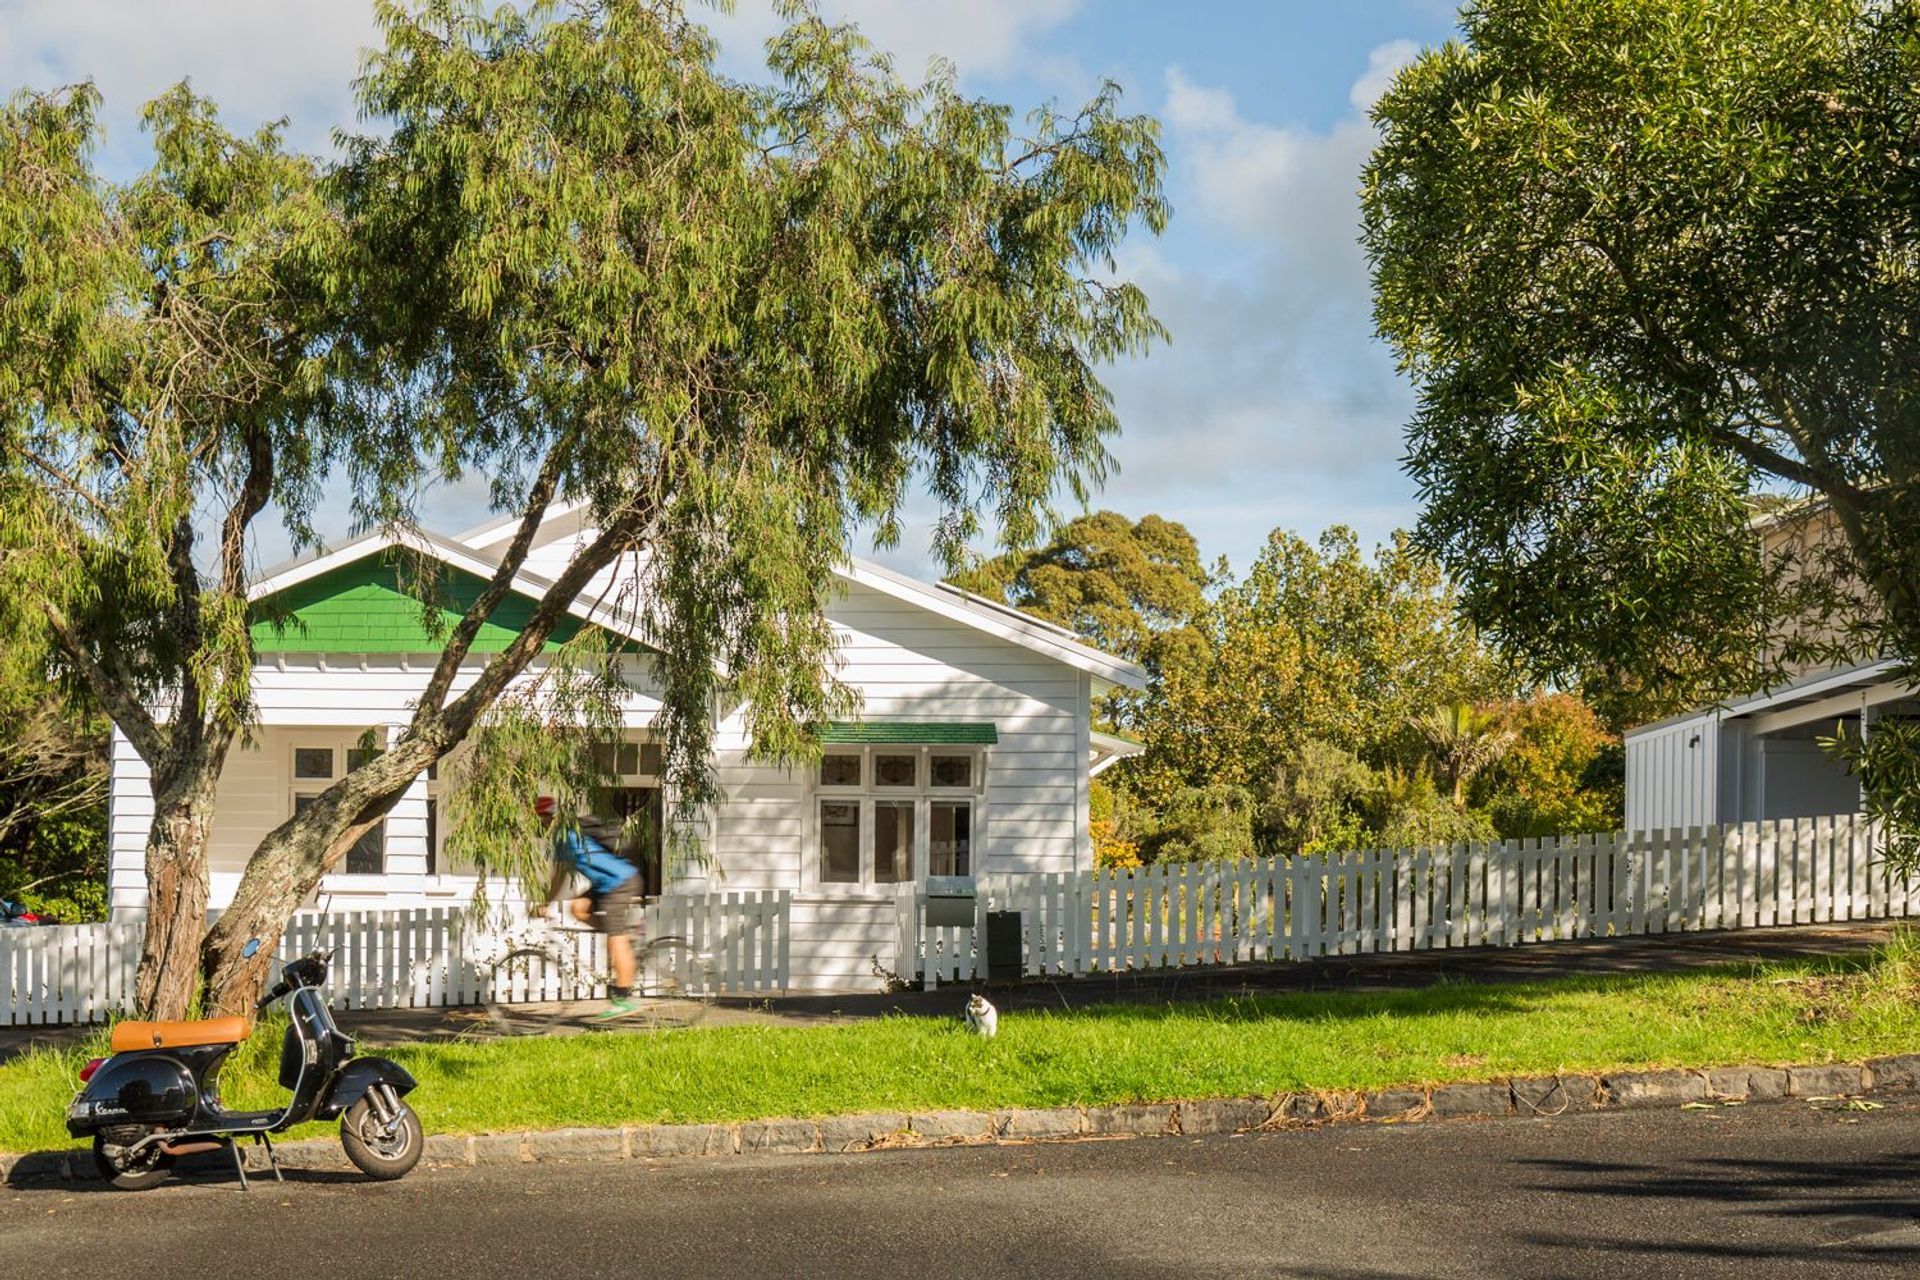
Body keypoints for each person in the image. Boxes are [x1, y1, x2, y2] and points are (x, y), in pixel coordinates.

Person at [536, 795, 642, 1018]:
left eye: (542, 819)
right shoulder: (563, 835)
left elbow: (561, 875)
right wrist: (548, 903)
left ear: (548, 817)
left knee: (616, 941)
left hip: (619, 882)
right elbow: (560, 875)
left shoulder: (568, 836)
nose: (542, 824)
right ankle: (623, 935)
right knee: (578, 909)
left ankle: (624, 999)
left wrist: (547, 904)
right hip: (605, 884)